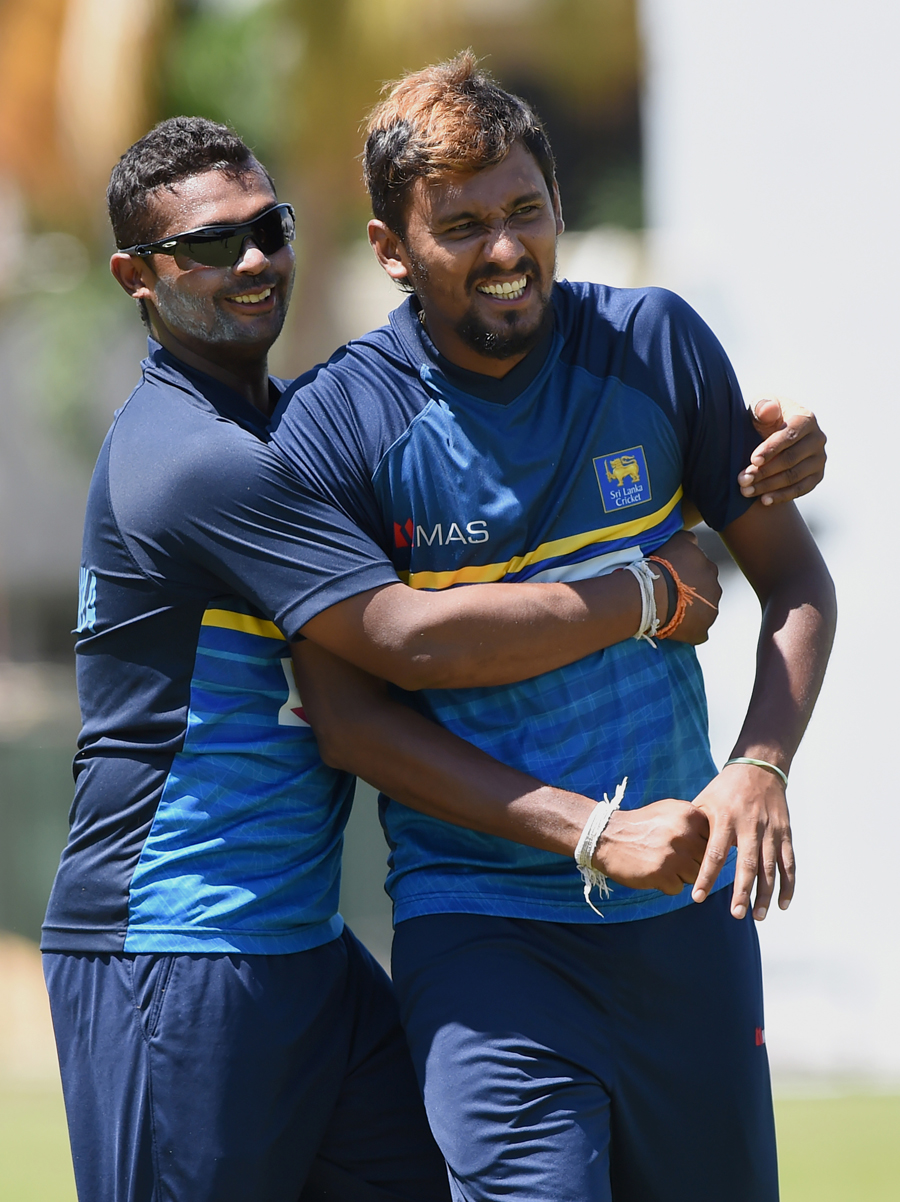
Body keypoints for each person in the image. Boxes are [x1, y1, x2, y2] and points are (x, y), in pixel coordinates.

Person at [40, 117, 825, 1202]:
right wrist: (648, 589)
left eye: (267, 229)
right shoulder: (191, 458)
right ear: (137, 277)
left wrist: (727, 439)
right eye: (211, 246)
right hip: (174, 940)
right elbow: (407, 640)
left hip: (303, 945)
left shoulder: (278, 426)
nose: (255, 260)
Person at [265, 53, 838, 1202]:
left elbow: (795, 581)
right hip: (481, 928)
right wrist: (588, 830)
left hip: (688, 918)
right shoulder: (339, 422)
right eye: (463, 224)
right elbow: (348, 716)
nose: (507, 249)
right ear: (391, 251)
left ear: (561, 207)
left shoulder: (658, 344)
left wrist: (759, 765)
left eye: (527, 209)